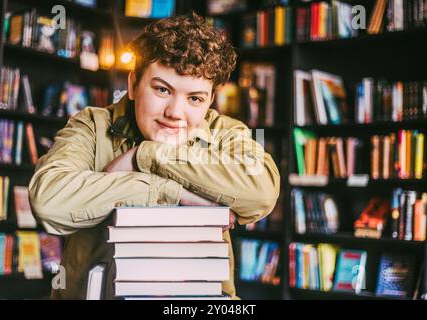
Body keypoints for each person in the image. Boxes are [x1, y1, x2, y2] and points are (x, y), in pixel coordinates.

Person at [29, 13, 280, 299]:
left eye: (195, 98)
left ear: (210, 100)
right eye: (162, 89)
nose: (175, 112)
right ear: (134, 84)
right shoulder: (91, 125)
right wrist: (170, 191)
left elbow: (261, 194)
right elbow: (49, 202)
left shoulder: (226, 133)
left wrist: (145, 156)